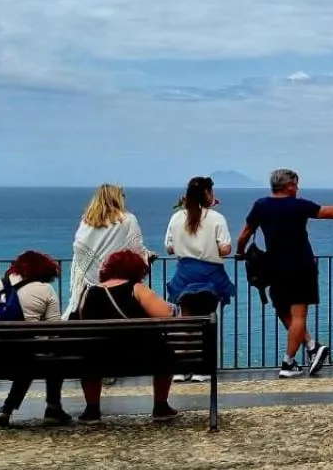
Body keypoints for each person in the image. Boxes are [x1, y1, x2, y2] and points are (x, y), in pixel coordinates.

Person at [236, 169, 333, 379]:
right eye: (296, 184)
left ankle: (312, 347)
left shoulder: (261, 205)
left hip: (274, 266)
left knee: (283, 311)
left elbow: (246, 232)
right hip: (301, 265)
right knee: (298, 315)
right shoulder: (299, 205)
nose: (298, 187)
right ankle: (288, 363)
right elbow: (330, 212)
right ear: (288, 186)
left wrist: (240, 252)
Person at [72, 249, 179, 422]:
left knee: (89, 355)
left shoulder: (88, 293)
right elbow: (167, 314)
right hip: (141, 357)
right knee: (164, 353)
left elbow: (80, 321)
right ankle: (161, 406)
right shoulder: (136, 289)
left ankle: (92, 409)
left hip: (99, 358)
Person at [0, 251, 72, 428]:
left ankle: (6, 409)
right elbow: (55, 330)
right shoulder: (45, 289)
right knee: (51, 354)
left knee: (24, 356)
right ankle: (53, 408)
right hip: (24, 356)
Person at [164, 176, 234, 382]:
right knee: (207, 321)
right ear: (207, 194)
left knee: (186, 322)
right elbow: (225, 249)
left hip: (184, 274)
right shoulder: (216, 218)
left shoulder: (177, 218)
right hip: (210, 275)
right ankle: (202, 368)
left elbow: (169, 248)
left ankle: (182, 367)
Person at [64, 184, 149, 318]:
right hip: (118, 286)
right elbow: (136, 249)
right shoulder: (127, 220)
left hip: (90, 290)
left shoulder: (87, 221)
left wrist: (93, 265)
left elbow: (79, 248)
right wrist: (147, 257)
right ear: (117, 198)